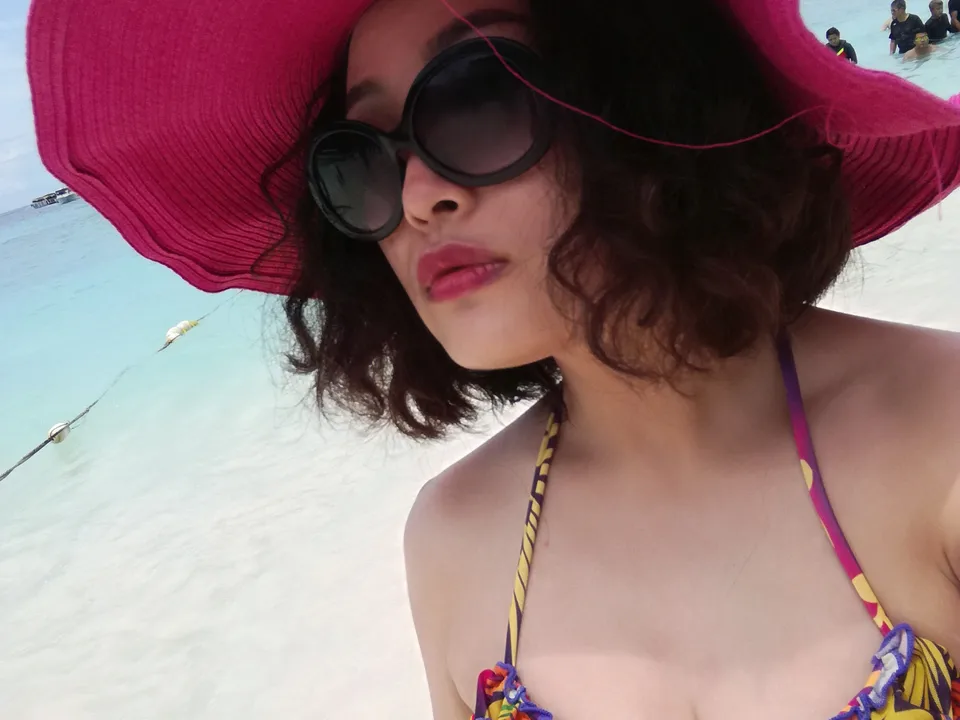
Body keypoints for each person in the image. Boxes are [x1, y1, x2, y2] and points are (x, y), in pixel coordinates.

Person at [24, 0, 960, 717]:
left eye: (478, 101)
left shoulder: (937, 438)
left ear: (649, 93)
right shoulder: (456, 541)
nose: (416, 197)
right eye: (361, 159)